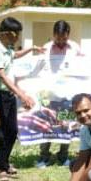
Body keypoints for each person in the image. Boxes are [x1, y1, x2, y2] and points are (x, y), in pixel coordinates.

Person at [0, 17, 38, 179]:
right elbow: (2, 77)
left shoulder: (6, 48)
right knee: (0, 133)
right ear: (7, 33)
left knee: (13, 130)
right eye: (16, 35)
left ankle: (2, 162)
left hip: (8, 96)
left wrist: (31, 49)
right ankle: (1, 168)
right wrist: (22, 95)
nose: (17, 38)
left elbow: (14, 55)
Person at [36, 20, 82, 167]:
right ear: (53, 35)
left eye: (64, 38)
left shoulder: (75, 48)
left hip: (68, 95)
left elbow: (83, 67)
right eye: (58, 38)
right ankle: (44, 157)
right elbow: (39, 69)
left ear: (68, 35)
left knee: (66, 124)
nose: (61, 41)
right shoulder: (46, 48)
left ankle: (63, 156)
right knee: (47, 125)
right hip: (50, 96)